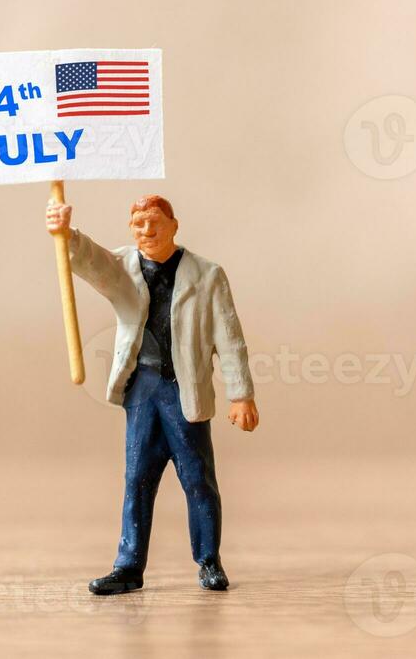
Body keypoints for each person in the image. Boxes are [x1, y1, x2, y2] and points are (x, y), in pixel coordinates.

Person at [45, 194, 259, 594]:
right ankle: (128, 566)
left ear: (174, 226)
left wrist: (241, 394)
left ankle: (209, 559)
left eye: (155, 223)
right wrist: (65, 232)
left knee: (197, 479)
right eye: (139, 225)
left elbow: (230, 339)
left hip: (184, 389)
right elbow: (90, 261)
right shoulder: (124, 268)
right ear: (131, 230)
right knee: (137, 478)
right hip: (142, 389)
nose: (147, 231)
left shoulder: (207, 275)